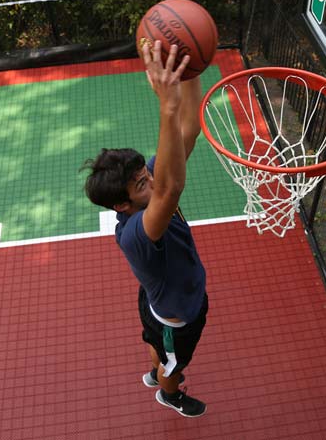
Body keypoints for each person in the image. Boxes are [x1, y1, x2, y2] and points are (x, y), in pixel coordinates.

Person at [82, 40, 208, 417]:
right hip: (176, 316)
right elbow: (169, 190)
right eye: (140, 184)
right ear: (122, 205)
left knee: (155, 343)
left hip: (156, 306)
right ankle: (169, 392)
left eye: (146, 174)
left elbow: (191, 127)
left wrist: (192, 70)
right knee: (174, 364)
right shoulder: (135, 233)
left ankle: (157, 368)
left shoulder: (150, 179)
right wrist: (166, 106)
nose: (150, 181)